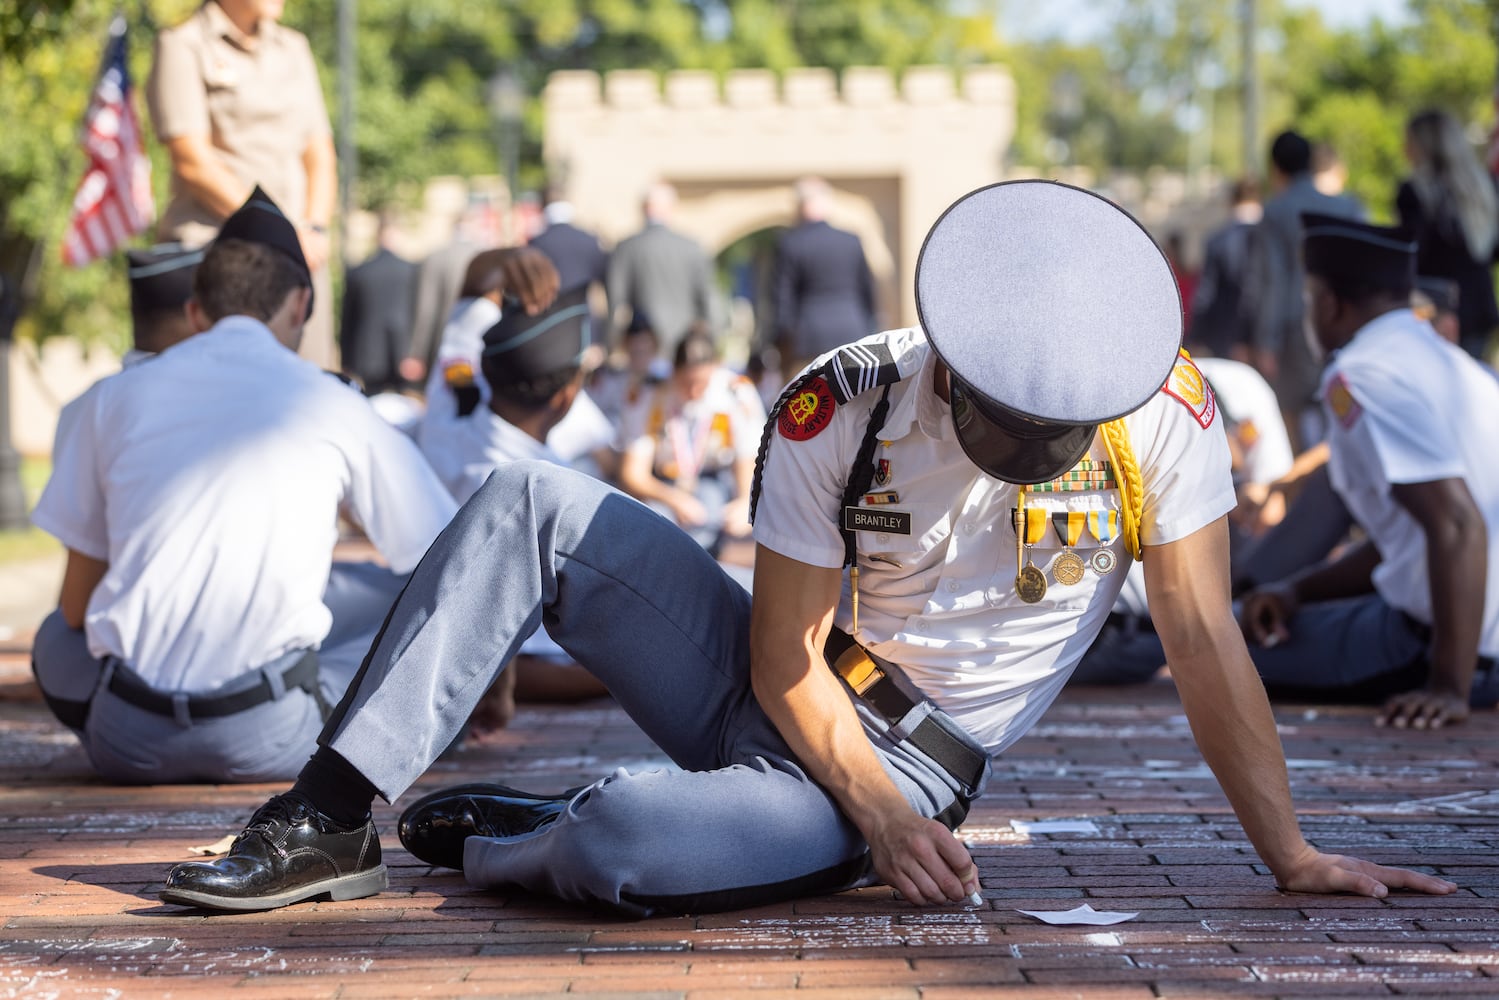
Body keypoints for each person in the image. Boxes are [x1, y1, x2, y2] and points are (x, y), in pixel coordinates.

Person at [157, 181, 1454, 916]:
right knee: (526, 502)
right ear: (948, 364)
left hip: (907, 758)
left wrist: (1286, 855)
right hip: (773, 689)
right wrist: (876, 827)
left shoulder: (1154, 417)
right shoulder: (846, 402)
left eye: (1062, 429)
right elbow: (777, 660)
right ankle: (329, 816)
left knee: (622, 850)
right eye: (1010, 422)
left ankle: (528, 827)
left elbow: (1201, 635)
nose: (1041, 447)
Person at [29, 189, 457, 785]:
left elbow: (76, 607)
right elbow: (449, 554)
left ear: (195, 312)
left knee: (55, 636)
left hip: (127, 738)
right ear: (301, 305)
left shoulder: (111, 399)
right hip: (269, 734)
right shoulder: (330, 400)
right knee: (404, 604)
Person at [1235, 213, 1499, 727]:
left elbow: (1457, 524)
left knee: (1229, 649)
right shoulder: (1453, 365)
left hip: (1447, 648)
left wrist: (1448, 687)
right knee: (1263, 624)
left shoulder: (1360, 373)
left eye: (1310, 300)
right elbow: (1414, 535)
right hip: (1474, 634)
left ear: (1330, 304)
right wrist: (1297, 591)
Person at [146, 0, 338, 370]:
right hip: (218, 253)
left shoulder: (292, 47)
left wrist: (313, 229)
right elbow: (192, 162)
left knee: (310, 387)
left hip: (300, 254)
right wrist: (278, 230)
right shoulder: (183, 44)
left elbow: (320, 155)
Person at [1247, 130, 1364, 451]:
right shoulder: (1348, 207)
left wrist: (1266, 341)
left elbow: (1273, 280)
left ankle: (1304, 489)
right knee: (1341, 414)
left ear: (1276, 168)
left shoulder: (1276, 211)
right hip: (1345, 326)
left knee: (1293, 420)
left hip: (1296, 328)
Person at [616, 327, 767, 555]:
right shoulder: (649, 394)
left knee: (715, 516)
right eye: (687, 383)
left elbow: (747, 455)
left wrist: (745, 500)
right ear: (674, 371)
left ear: (717, 367)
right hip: (663, 485)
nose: (695, 391)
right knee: (655, 522)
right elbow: (633, 473)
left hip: (714, 480)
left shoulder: (735, 391)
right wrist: (674, 499)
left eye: (703, 383)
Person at [1396, 109, 1499, 362]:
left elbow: (1413, 254)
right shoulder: (1483, 188)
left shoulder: (1416, 192)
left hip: (1433, 307)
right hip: (1478, 305)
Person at [771, 177, 877, 382]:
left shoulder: (791, 244)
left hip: (808, 340)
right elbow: (869, 291)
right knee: (858, 405)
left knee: (812, 406)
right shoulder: (851, 241)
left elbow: (783, 301)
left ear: (800, 206)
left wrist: (781, 342)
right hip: (853, 334)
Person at [605, 181, 714, 360]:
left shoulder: (627, 248)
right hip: (683, 346)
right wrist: (708, 343)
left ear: (643, 208)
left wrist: (610, 345)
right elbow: (708, 300)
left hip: (641, 346)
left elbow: (616, 303)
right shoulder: (691, 248)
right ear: (671, 208)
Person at [340, 209, 417, 395]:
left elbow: (347, 319)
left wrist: (346, 360)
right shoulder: (412, 271)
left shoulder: (360, 271)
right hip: (403, 352)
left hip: (367, 352)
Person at [1185, 178, 1261, 360]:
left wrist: (1194, 337)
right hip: (1267, 342)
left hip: (1225, 338)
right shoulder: (1272, 240)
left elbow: (1206, 293)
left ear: (1231, 201)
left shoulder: (1218, 241)